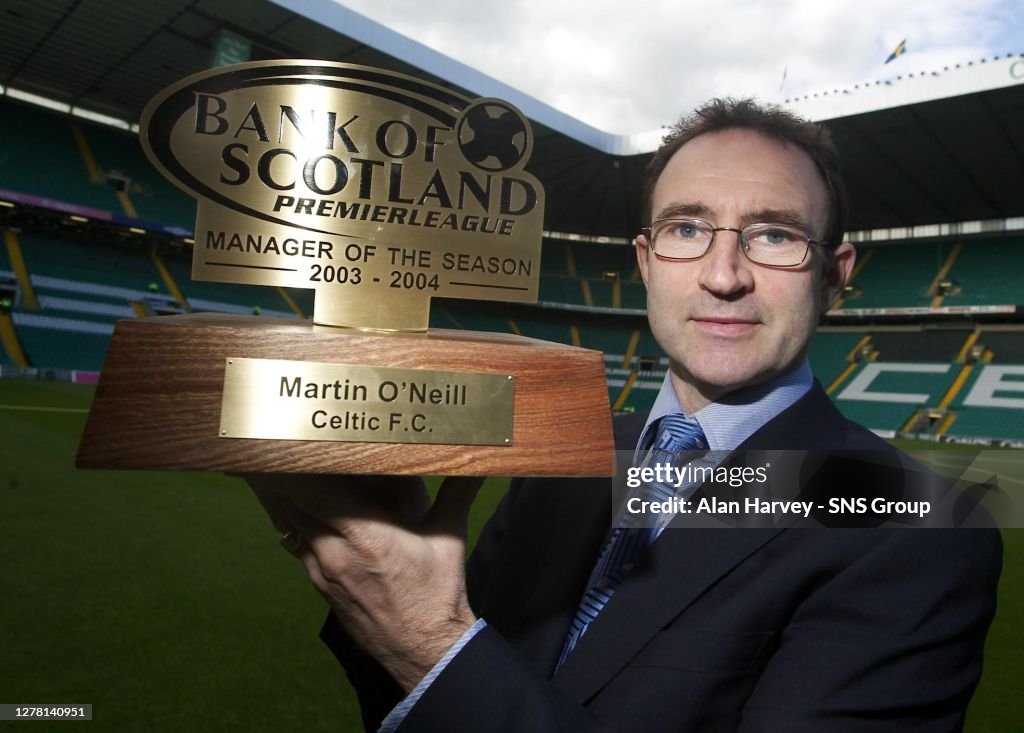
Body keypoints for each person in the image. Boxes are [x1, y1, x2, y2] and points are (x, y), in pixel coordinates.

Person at [249, 98, 1002, 732]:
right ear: (645, 262)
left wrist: (424, 640)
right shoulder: (564, 458)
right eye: (685, 228)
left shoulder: (921, 533)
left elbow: (450, 668)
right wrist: (381, 594)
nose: (723, 274)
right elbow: (435, 704)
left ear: (834, 276)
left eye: (775, 233)